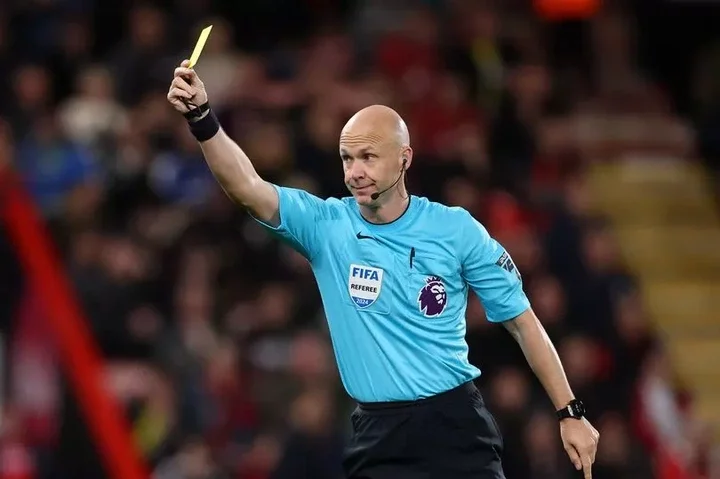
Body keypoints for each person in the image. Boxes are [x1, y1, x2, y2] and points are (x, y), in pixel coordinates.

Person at [167, 59, 600, 479]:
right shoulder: (327, 227)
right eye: (346, 159)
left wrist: (570, 412)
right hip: (377, 435)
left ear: (404, 158)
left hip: (454, 426)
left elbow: (522, 322)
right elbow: (247, 187)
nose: (355, 173)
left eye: (368, 158)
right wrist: (203, 119)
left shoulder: (455, 230)